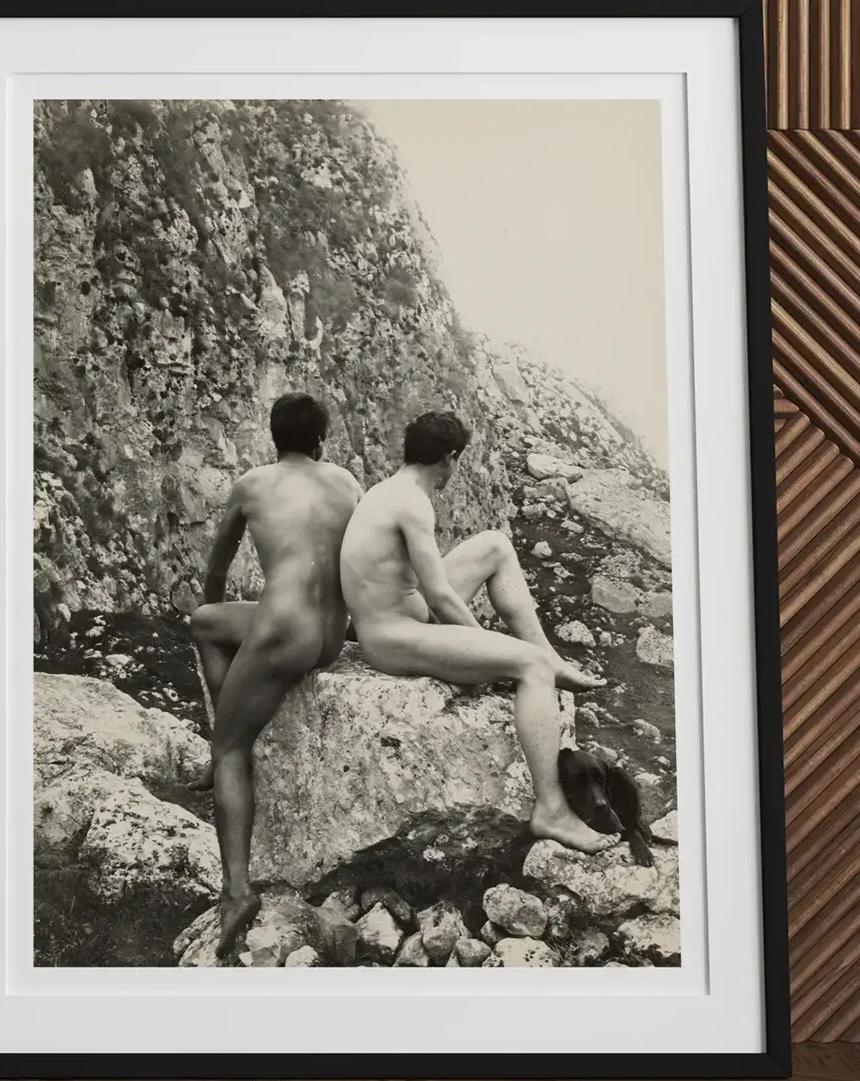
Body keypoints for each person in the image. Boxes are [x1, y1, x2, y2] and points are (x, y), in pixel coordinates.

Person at [339, 410, 619, 854]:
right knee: (528, 666)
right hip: (393, 637)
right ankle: (551, 810)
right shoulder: (412, 503)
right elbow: (441, 597)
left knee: (495, 544)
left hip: (397, 616)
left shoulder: (388, 490)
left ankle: (553, 660)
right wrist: (491, 646)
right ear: (449, 459)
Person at [189, 392, 361, 954]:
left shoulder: (252, 484)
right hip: (331, 637)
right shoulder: (347, 484)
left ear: (273, 438)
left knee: (230, 746)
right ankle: (228, 730)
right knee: (209, 623)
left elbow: (216, 570)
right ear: (321, 441)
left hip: (282, 629)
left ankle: (238, 891)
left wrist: (210, 600)